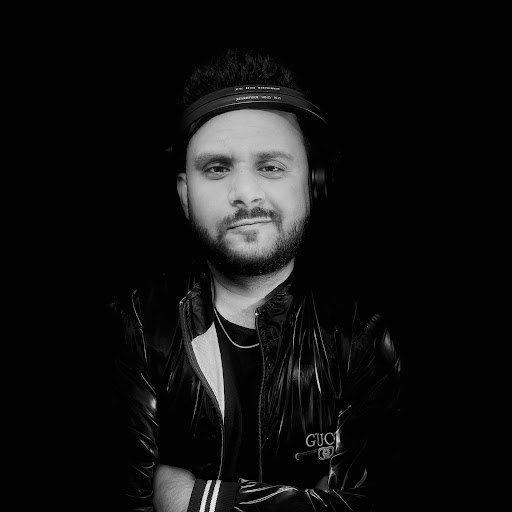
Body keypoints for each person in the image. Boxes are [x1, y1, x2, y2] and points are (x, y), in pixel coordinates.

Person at [109, 48, 402, 512]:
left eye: (270, 166)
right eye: (217, 168)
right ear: (185, 194)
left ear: (313, 183)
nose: (245, 193)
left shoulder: (361, 334)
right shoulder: (137, 327)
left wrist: (196, 498)